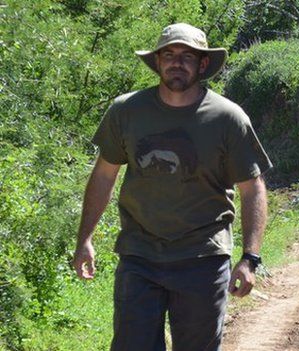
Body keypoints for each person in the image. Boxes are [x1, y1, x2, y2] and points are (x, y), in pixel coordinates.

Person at [71, 23, 272, 351]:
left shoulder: (228, 119)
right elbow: (104, 175)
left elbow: (253, 188)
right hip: (139, 256)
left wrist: (250, 258)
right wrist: (85, 239)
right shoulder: (127, 111)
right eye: (169, 54)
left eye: (187, 56)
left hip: (203, 259)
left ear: (202, 64)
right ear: (158, 61)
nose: (177, 62)